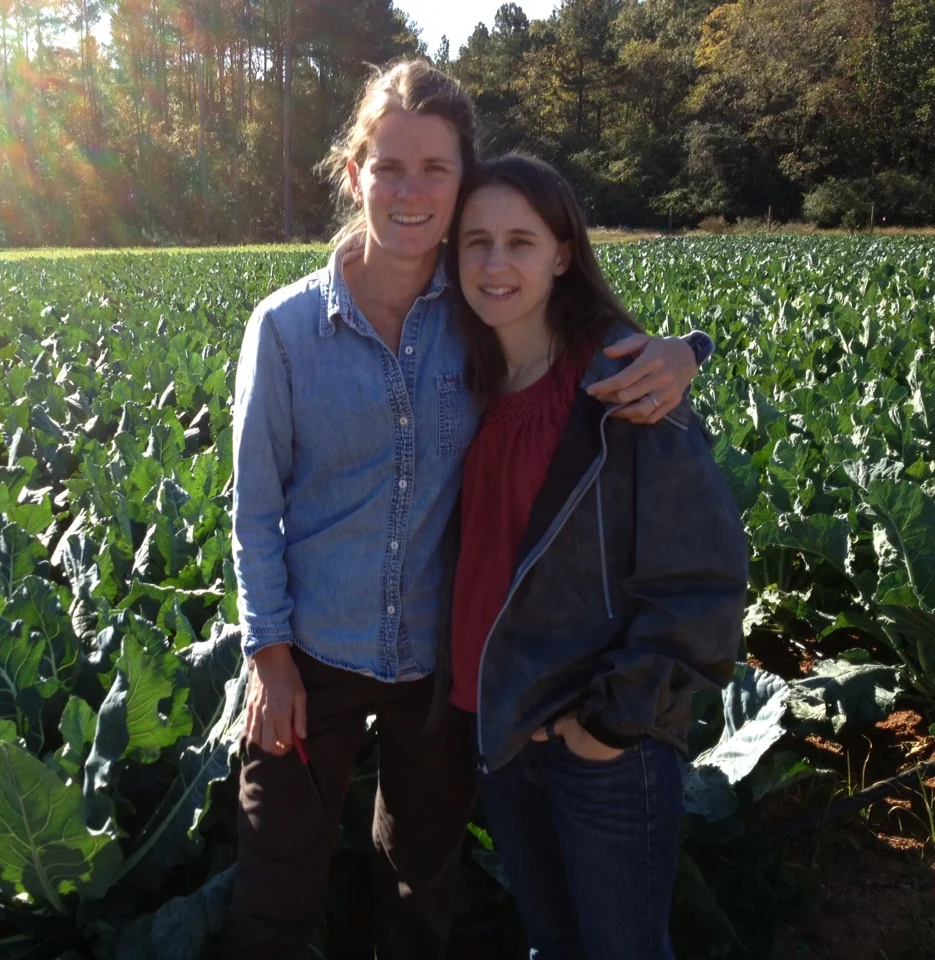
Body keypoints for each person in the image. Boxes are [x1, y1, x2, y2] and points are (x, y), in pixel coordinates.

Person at [228, 60, 714, 960]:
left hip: (440, 664)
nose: (410, 191)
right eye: (389, 167)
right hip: (312, 660)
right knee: (276, 882)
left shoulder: (483, 310)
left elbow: (588, 340)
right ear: (353, 175)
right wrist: (270, 658)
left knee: (420, 880)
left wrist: (686, 351)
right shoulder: (285, 330)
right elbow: (254, 513)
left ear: (463, 182)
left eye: (436, 169)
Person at [439, 153, 748, 960]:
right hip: (499, 730)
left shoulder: (627, 386)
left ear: (563, 253)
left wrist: (607, 724)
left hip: (601, 744)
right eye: (475, 243)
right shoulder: (456, 379)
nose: (496, 264)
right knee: (551, 944)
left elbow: (704, 581)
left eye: (520, 241)